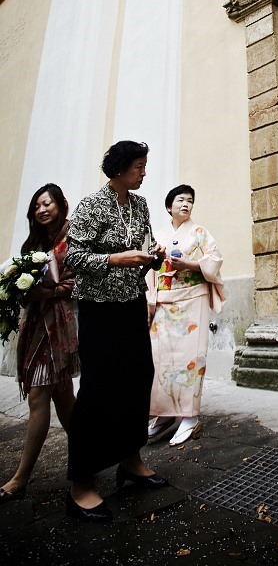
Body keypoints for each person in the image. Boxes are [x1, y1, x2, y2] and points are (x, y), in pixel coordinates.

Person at [64, 140, 169, 522]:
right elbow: (73, 257)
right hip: (98, 310)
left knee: (138, 377)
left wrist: (151, 253)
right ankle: (81, 483)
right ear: (121, 168)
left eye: (144, 165)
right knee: (97, 388)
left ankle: (131, 460)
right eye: (139, 166)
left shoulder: (140, 205)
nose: (144, 172)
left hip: (130, 303)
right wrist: (116, 258)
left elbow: (140, 243)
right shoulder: (92, 204)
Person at [0, 184, 79, 501]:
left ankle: (20, 477)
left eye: (47, 203)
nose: (42, 209)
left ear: (61, 204)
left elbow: (76, 282)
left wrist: (49, 292)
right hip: (36, 328)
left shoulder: (71, 239)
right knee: (64, 401)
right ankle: (91, 455)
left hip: (59, 328)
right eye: (37, 206)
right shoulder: (33, 244)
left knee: (38, 397)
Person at [145, 184, 224, 445]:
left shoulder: (200, 232)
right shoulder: (159, 234)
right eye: (180, 200)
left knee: (192, 358)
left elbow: (214, 259)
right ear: (169, 206)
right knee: (161, 358)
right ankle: (165, 414)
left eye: (190, 200)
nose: (185, 204)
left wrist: (189, 264)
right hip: (165, 301)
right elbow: (150, 268)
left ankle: (190, 417)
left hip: (193, 298)